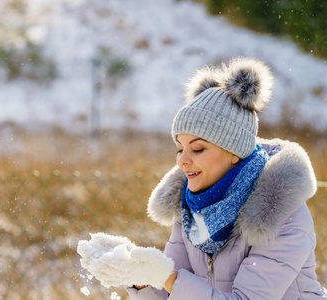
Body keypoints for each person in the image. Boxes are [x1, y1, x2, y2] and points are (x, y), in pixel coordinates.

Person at [124, 57, 327, 299]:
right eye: (180, 148)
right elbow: (171, 293)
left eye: (197, 149)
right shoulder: (191, 207)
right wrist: (141, 279)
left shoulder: (279, 214)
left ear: (234, 152)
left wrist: (169, 278)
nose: (181, 161)